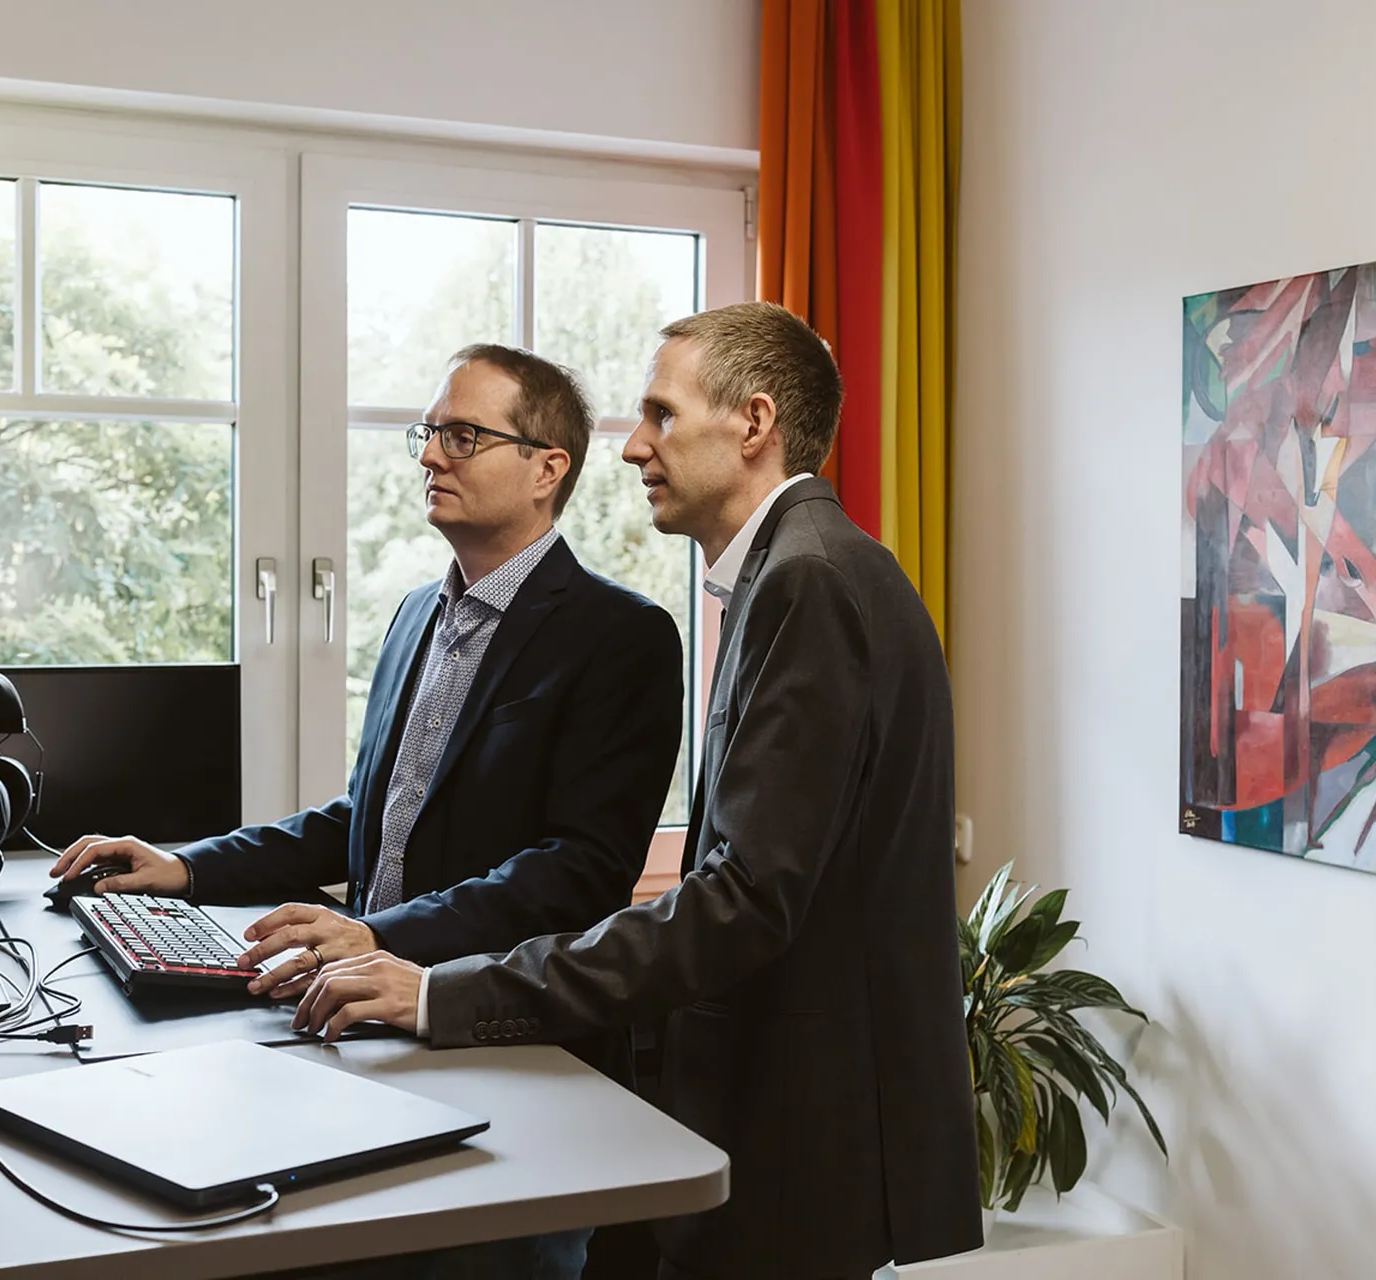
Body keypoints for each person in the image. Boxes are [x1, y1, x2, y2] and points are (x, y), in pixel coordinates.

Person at [294, 303, 984, 1280]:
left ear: (753, 422)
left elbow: (742, 898)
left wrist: (445, 993)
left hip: (802, 1123)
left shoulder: (808, 582)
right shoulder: (803, 569)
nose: (630, 447)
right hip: (791, 1110)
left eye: (661, 414)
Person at [50, 344, 684, 1280]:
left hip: (509, 1053)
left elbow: (577, 872)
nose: (430, 455)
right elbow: (372, 817)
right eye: (429, 432)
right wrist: (187, 866)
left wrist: (376, 934)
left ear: (547, 468)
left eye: (462, 436)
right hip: (373, 1032)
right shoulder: (416, 615)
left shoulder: (623, 636)